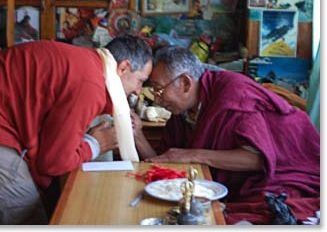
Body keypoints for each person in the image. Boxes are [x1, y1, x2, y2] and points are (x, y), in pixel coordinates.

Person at [0, 34, 153, 225]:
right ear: (123, 67)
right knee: (26, 215)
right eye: (140, 81)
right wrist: (96, 144)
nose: (138, 91)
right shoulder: (91, 84)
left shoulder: (92, 65)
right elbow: (52, 163)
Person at [132, 46, 320, 225]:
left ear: (185, 83)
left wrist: (193, 154)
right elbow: (166, 162)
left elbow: (257, 159)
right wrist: (138, 135)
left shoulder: (233, 95)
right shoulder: (184, 111)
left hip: (285, 175)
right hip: (239, 184)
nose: (156, 99)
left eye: (158, 90)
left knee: (246, 215)